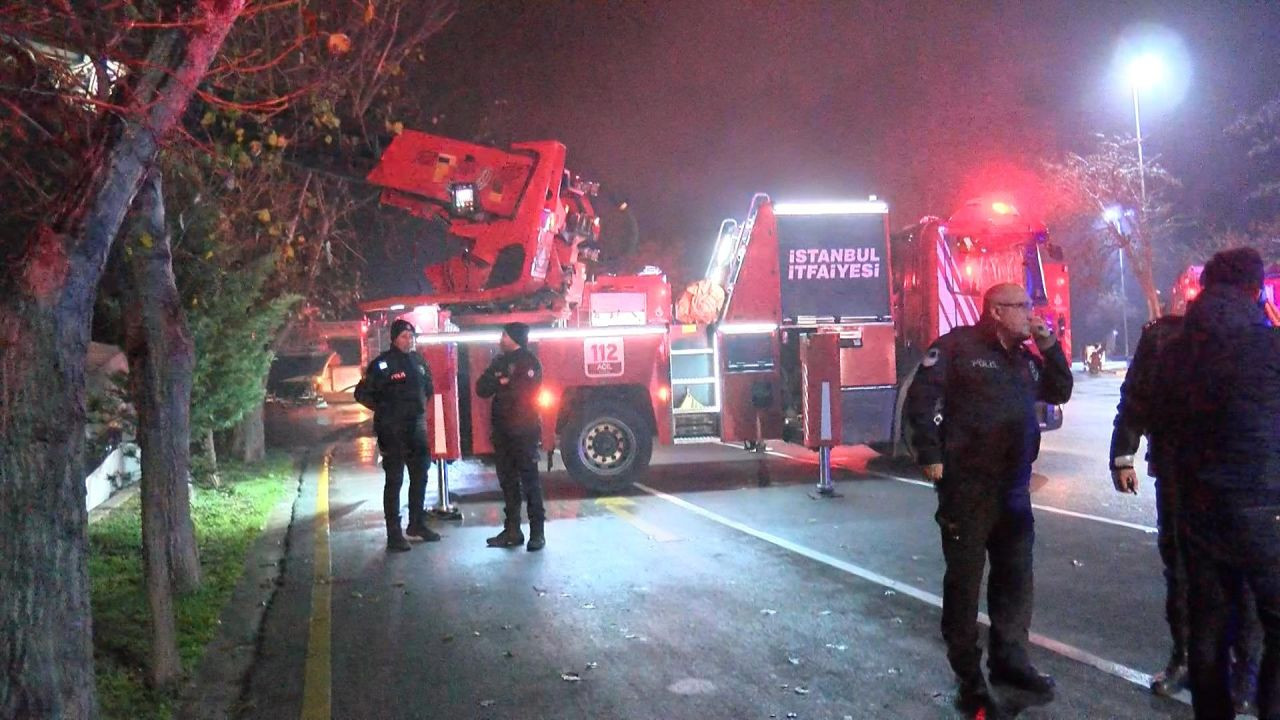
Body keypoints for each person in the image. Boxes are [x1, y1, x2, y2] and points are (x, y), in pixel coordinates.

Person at [905, 283, 1073, 713]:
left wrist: (1050, 345)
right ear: (997, 311)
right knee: (964, 585)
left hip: (1014, 487)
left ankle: (1011, 662)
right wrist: (929, 453)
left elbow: (1059, 391)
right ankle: (968, 676)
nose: (1030, 314)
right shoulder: (958, 348)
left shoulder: (1023, 359)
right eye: (1022, 307)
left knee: (1015, 581)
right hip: (967, 488)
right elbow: (921, 400)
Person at [1110, 307, 1262, 710]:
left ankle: (1239, 671)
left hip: (1231, 475)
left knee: (1232, 576)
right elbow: (1137, 394)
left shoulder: (1258, 335)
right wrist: (1123, 453)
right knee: (1187, 569)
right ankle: (1192, 661)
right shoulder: (1165, 337)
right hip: (1188, 472)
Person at [1154, 247, 1280, 720]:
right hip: (1266, 505)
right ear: (1254, 290)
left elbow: (1162, 425)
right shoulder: (1270, 346)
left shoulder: (1174, 351)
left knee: (1209, 626)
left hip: (1200, 507)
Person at [354, 318, 440, 552]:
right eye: (404, 336)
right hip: (392, 430)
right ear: (394, 338)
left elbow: (428, 390)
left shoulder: (418, 361)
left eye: (411, 336)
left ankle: (417, 523)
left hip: (416, 428)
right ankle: (394, 533)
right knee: (395, 480)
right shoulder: (382, 365)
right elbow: (362, 394)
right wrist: (385, 410)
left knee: (420, 475)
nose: (409, 340)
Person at [476, 322, 546, 551]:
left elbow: (523, 391)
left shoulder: (529, 362)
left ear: (514, 337)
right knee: (508, 483)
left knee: (530, 483)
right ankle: (512, 531)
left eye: (504, 335)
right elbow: (481, 388)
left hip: (524, 432)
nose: (500, 339)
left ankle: (537, 534)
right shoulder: (498, 361)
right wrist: (500, 381)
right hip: (503, 432)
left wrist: (506, 383)